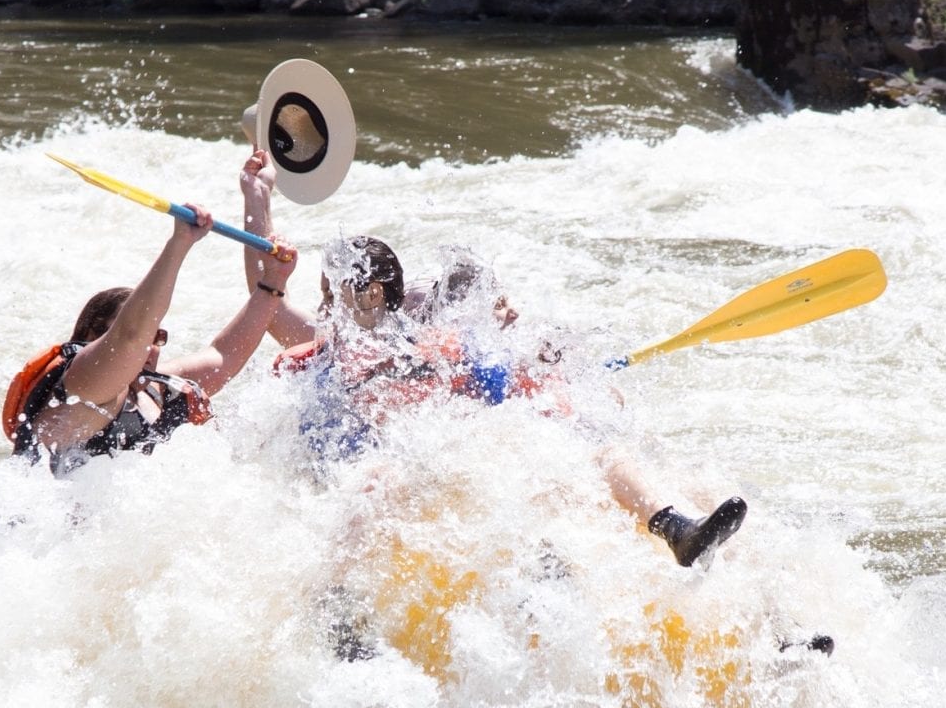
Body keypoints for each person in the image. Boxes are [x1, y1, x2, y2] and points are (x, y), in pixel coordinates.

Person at [241, 174, 746, 569]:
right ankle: (339, 607)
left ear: (372, 294)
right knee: (381, 477)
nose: (323, 305)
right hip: (375, 481)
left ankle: (677, 529)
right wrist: (258, 199)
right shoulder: (330, 345)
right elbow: (265, 298)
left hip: (456, 466)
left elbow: (510, 388)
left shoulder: (437, 342)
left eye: (333, 293)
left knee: (616, 454)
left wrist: (553, 359)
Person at [4, 155, 297, 473]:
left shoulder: (157, 389)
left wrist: (273, 282)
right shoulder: (80, 387)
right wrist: (180, 243)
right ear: (92, 336)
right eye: (148, 333)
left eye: (158, 336)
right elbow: (129, 338)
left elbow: (223, 356)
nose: (151, 345)